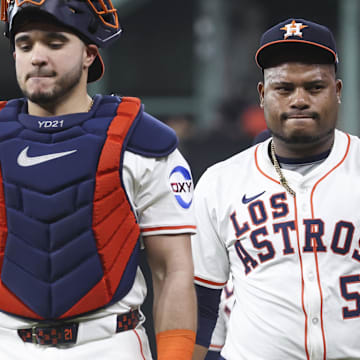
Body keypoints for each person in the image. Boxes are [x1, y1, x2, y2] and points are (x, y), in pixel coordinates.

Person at [0, 1, 197, 359]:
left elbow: (173, 270)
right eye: (25, 45)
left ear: (90, 54)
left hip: (109, 344)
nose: (37, 57)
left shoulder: (141, 141)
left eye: (55, 43)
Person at [191, 18, 360, 360]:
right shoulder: (220, 182)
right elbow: (203, 305)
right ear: (262, 94)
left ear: (338, 92)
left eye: (315, 87)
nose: (299, 100)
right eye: (284, 89)